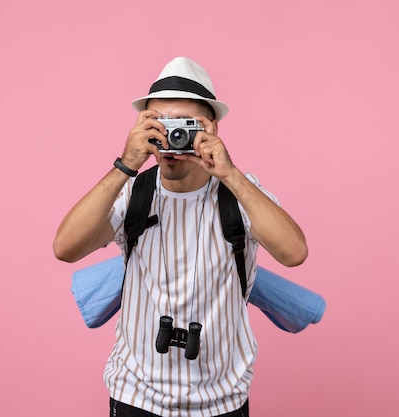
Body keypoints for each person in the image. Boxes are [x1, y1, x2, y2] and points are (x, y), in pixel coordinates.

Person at [53, 57, 308, 417]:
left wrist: (230, 174)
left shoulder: (241, 193)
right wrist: (126, 164)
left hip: (222, 400)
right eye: (160, 123)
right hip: (136, 397)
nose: (172, 139)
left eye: (184, 125)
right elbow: (65, 248)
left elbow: (294, 252)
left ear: (212, 128)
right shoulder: (132, 192)